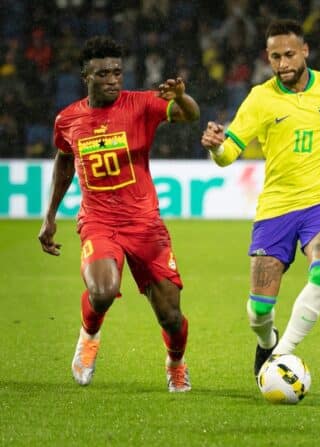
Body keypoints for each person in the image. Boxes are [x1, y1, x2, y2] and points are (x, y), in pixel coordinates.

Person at [201, 19, 320, 378]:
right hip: (277, 207)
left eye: (288, 55)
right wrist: (216, 149)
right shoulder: (260, 99)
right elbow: (228, 154)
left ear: (305, 52)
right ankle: (268, 342)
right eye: (274, 57)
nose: (282, 64)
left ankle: (280, 355)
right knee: (258, 311)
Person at [38, 36, 200, 392]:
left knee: (171, 316)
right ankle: (89, 337)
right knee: (104, 290)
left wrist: (181, 97)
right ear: (86, 77)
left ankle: (175, 362)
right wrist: (49, 216)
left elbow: (190, 115)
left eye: (117, 72)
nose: (113, 79)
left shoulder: (141, 104)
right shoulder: (68, 120)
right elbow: (65, 162)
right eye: (103, 74)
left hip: (145, 225)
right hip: (99, 222)